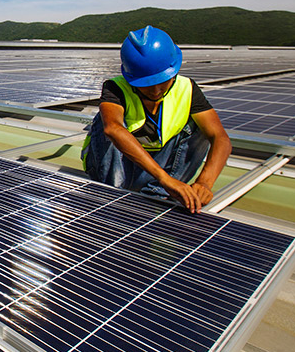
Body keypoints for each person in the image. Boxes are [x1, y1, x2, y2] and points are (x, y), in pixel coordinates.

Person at [81, 25, 231, 213]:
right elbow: (113, 128)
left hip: (158, 167)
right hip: (119, 167)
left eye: (162, 82)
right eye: (146, 85)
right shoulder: (115, 88)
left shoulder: (187, 88)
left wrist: (204, 183)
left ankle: (160, 193)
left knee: (201, 127)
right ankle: (113, 197)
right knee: (105, 122)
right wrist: (164, 178)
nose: (155, 91)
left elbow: (221, 138)